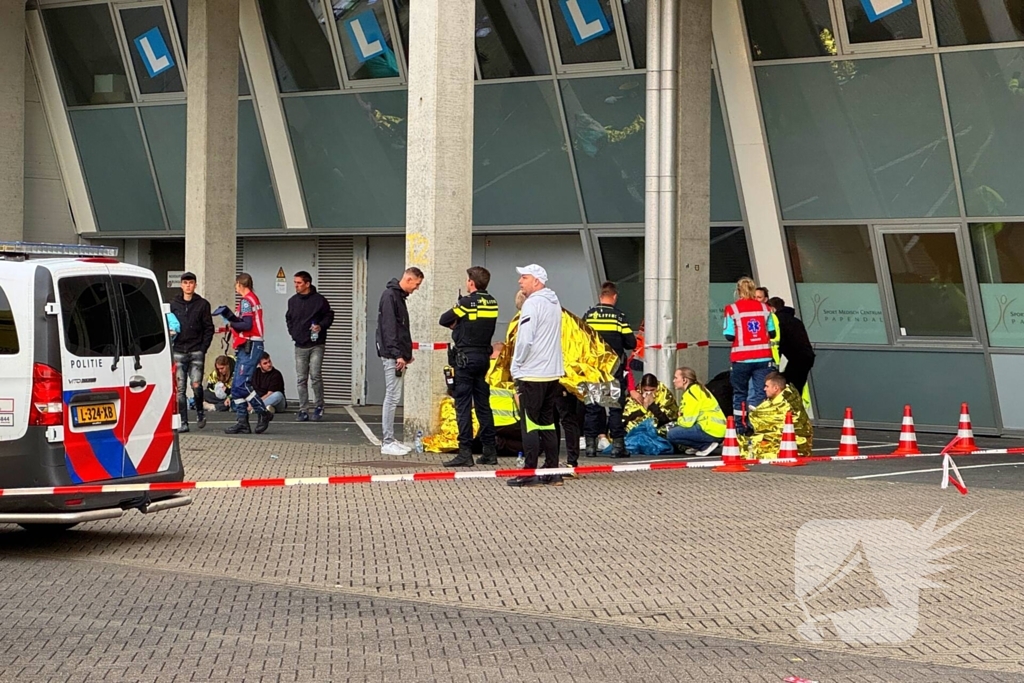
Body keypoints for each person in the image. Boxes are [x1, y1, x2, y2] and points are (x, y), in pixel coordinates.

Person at [507, 264, 564, 488]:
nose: (520, 281)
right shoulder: (554, 302)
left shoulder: (532, 304)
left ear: (537, 281)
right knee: (548, 423)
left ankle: (529, 472)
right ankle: (552, 471)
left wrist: (517, 364)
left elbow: (525, 340)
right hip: (552, 373)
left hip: (532, 373)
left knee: (529, 424)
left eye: (524, 277)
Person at [439, 266, 499, 468]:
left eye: (467, 280)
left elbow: (443, 319)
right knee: (483, 406)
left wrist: (457, 324)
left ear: (471, 282)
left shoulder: (465, 303)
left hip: (465, 360)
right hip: (483, 358)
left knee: (463, 406)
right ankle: (490, 451)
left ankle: (465, 453)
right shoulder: (492, 302)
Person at [583, 281, 637, 459]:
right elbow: (631, 343)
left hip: (593, 369)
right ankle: (617, 447)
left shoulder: (589, 316)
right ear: (614, 297)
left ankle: (590, 446)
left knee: (592, 406)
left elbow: (581, 341)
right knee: (615, 407)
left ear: (600, 296)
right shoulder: (618, 317)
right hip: (613, 369)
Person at [376, 267, 424, 456]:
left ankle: (390, 439)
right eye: (417, 284)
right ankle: (387, 441)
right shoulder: (391, 296)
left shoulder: (397, 296)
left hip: (396, 354)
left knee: (393, 396)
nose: (416, 288)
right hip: (392, 355)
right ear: (409, 279)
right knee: (392, 396)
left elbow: (399, 329)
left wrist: (405, 353)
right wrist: (398, 355)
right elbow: (389, 328)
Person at [215, 273, 269, 435]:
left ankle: (263, 412)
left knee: (242, 384)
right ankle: (242, 422)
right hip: (248, 344)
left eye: (236, 284)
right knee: (236, 388)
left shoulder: (246, 301)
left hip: (250, 345)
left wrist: (231, 322)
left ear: (239, 284)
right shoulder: (253, 299)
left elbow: (247, 324)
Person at [724, 276, 776, 434]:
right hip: (763, 357)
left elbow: (729, 335)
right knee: (761, 393)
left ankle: (741, 427)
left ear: (738, 291)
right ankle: (759, 426)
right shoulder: (765, 308)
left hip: (741, 359)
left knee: (740, 393)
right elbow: (772, 333)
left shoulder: (732, 309)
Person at [286, 271, 335, 422]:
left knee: (315, 375)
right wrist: (293, 333)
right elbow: (289, 318)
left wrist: (321, 326)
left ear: (307, 284)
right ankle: (303, 409)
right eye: (295, 282)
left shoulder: (320, 300)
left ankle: (319, 406)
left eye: (299, 283)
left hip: (316, 344)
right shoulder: (292, 301)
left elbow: (329, 315)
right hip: (300, 344)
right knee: (301, 378)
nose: (296, 285)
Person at [170, 272, 214, 433]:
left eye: (191, 283)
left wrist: (203, 348)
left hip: (196, 350)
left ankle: (200, 413)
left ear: (195, 285)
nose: (188, 286)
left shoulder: (202, 304)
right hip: (178, 350)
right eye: (185, 283)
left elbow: (209, 328)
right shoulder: (173, 304)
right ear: (181, 285)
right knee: (180, 389)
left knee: (196, 385)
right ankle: (183, 421)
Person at [741, 371, 813, 459]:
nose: (764, 389)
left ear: (776, 388)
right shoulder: (781, 400)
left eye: (767, 386)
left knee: (745, 448)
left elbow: (776, 427)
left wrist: (757, 414)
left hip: (789, 448)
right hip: (789, 446)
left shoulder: (785, 404)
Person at [667, 367, 728, 456]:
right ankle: (702, 445)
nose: (674, 381)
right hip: (718, 430)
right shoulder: (698, 389)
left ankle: (704, 446)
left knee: (671, 434)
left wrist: (679, 419)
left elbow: (687, 423)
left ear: (684, 380)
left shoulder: (691, 394)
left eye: (676, 378)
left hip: (710, 430)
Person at [768, 296, 816, 393]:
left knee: (788, 388)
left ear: (772, 308)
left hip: (797, 358)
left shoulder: (778, 320)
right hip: (806, 356)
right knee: (795, 387)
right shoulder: (795, 320)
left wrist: (775, 362)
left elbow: (780, 342)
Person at [251, 352, 286, 434]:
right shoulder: (255, 373)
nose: (269, 365)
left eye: (269, 361)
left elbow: (270, 393)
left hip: (277, 403)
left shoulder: (276, 374)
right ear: (259, 365)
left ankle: (256, 408)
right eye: (265, 363)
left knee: (278, 395)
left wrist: (254, 404)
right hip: (260, 399)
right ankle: (267, 408)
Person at [755, 286, 782, 367]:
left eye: (759, 297)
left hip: (770, 358)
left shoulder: (771, 316)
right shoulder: (749, 316)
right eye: (754, 297)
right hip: (755, 359)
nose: (755, 300)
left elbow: (774, 336)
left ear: (765, 299)